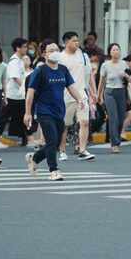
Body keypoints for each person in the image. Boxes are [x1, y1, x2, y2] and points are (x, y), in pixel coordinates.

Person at [24, 51, 85, 181]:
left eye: (56, 49)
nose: (54, 52)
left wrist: (80, 99)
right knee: (51, 140)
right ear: (45, 54)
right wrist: (28, 112)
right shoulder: (40, 71)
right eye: (51, 50)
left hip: (59, 111)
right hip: (44, 111)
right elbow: (30, 92)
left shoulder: (63, 69)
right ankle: (54, 170)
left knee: (56, 143)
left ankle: (34, 158)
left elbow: (71, 87)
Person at [58, 32, 96, 161]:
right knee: (65, 125)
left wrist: (93, 92)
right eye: (74, 41)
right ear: (66, 42)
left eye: (77, 40)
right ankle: (62, 150)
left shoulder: (83, 55)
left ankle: (83, 149)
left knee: (84, 122)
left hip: (81, 94)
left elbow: (89, 74)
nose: (77, 43)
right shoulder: (60, 58)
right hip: (66, 95)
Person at [97, 44, 129, 153]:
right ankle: (114, 144)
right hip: (109, 92)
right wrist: (99, 95)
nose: (116, 51)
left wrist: (125, 76)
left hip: (121, 92)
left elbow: (129, 79)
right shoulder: (105, 65)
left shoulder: (124, 64)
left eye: (117, 49)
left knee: (120, 119)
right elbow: (102, 81)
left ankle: (117, 138)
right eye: (113, 50)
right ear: (110, 52)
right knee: (113, 118)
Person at [0, 38, 27, 144]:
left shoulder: (20, 60)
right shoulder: (14, 61)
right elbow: (15, 77)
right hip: (12, 95)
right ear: (18, 48)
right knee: (4, 117)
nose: (26, 49)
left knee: (20, 116)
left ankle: (24, 138)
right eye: (24, 47)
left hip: (19, 95)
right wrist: (25, 87)